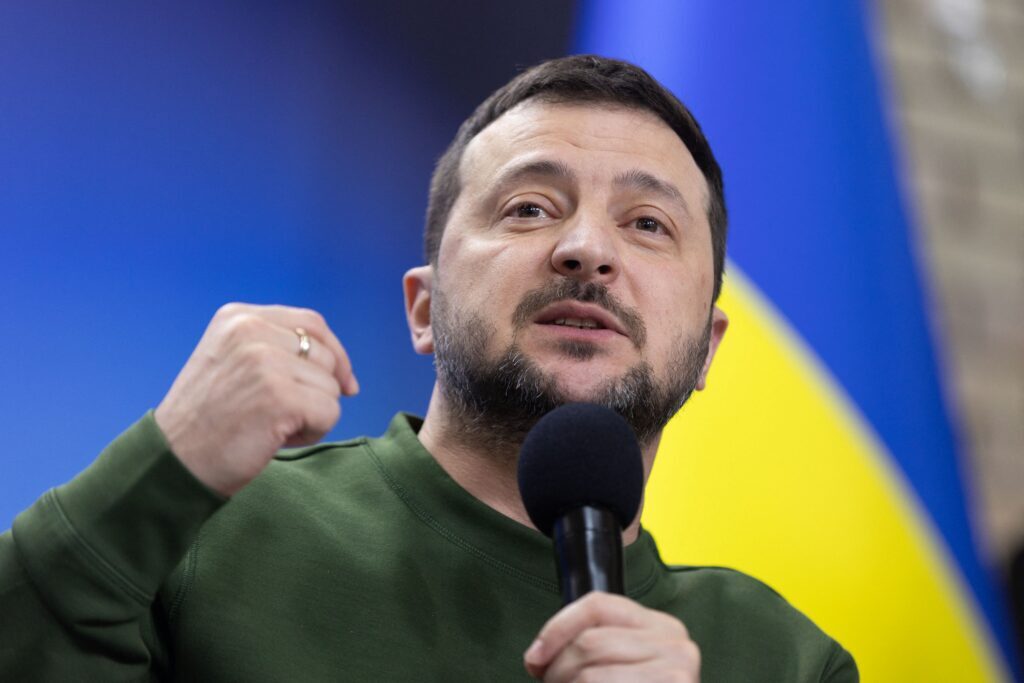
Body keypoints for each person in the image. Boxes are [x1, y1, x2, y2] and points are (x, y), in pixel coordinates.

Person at [0, 55, 857, 681]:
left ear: (707, 348)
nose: (587, 248)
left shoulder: (783, 659)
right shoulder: (208, 532)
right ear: (423, 308)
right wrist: (163, 461)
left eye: (647, 224)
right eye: (530, 207)